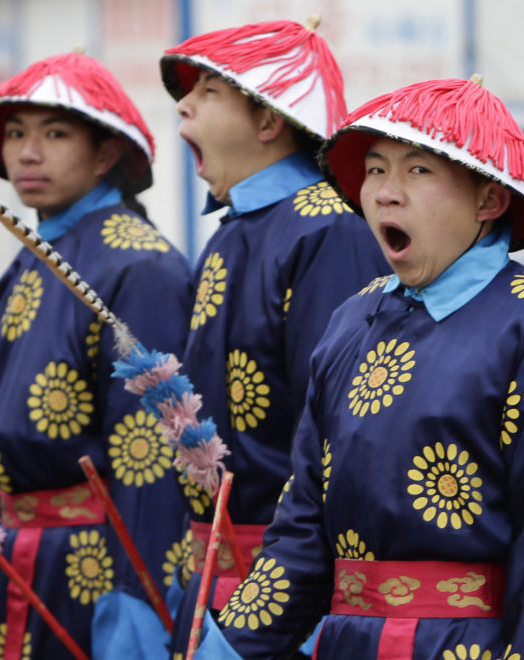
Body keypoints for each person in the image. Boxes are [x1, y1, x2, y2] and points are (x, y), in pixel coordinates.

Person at [197, 76, 524, 659]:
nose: (384, 193)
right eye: (375, 169)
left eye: (417, 171)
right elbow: (301, 528)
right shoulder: (351, 320)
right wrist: (226, 649)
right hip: (348, 645)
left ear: (488, 200)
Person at [0, 51, 192, 659]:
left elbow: (150, 457)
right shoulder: (33, 258)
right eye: (17, 133)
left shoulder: (139, 266)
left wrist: (140, 606)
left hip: (93, 572)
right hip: (10, 566)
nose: (27, 152)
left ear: (106, 154)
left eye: (54, 133)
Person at [158, 17, 390, 655]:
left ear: (268, 121)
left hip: (285, 593)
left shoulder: (327, 230)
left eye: (207, 90)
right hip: (217, 578)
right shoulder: (231, 234)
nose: (183, 103)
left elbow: (339, 436)